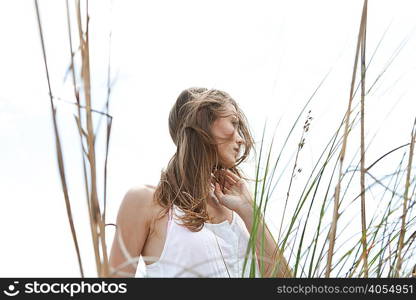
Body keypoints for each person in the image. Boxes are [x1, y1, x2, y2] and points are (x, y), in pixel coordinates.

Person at [108, 87, 292, 278]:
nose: (240, 139)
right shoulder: (147, 202)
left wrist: (251, 213)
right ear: (203, 120)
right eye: (233, 123)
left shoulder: (238, 213)